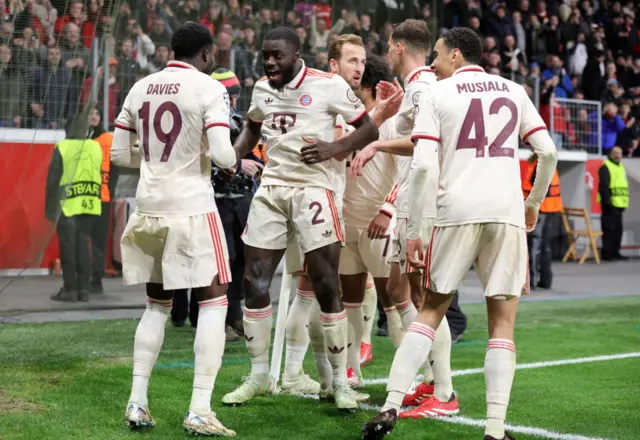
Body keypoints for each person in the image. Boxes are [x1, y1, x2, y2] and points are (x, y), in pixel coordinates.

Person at [362, 27, 558, 440]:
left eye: (436, 55)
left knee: (430, 309)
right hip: (505, 212)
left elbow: (424, 164)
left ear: (455, 54)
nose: (432, 63)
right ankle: (494, 429)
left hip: (455, 212)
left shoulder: (439, 93)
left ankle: (391, 405)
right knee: (502, 323)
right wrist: (532, 203)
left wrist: (416, 228)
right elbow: (548, 152)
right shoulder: (514, 89)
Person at [222, 26, 402, 413]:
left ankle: (338, 381)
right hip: (271, 191)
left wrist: (334, 148)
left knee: (323, 284)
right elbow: (253, 125)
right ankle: (258, 376)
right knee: (254, 281)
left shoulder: (328, 86)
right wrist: (234, 156)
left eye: (278, 56)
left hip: (315, 193)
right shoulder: (261, 89)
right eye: (266, 55)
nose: (270, 62)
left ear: (297, 54)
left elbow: (368, 128)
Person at [111, 22, 237, 436]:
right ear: (207, 55)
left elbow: (119, 154)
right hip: (191, 209)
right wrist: (229, 158)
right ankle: (200, 407)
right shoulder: (209, 88)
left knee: (155, 307)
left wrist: (157, 162)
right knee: (215, 301)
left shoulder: (140, 86)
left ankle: (136, 403)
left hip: (148, 208)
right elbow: (222, 156)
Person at [349, 18, 456, 414]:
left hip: (423, 206)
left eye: (388, 46)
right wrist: (392, 108)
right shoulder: (415, 88)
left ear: (397, 47)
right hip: (412, 203)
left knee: (427, 297)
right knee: (399, 291)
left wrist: (376, 146)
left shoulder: (425, 86)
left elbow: (423, 144)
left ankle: (442, 390)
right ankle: (431, 380)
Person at [46, 114, 103, 303]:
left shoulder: (63, 147)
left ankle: (70, 290)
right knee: (83, 246)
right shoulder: (95, 147)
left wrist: (49, 209)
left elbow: (53, 181)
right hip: (90, 203)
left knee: (68, 248)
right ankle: (83, 291)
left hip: (67, 206)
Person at [87, 106, 119, 294]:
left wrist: (111, 190)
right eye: (91, 113)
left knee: (98, 240)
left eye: (97, 113)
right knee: (82, 240)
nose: (94, 116)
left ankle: (96, 277)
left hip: (102, 197)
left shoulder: (108, 139)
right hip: (82, 196)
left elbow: (115, 168)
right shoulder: (80, 139)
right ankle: (83, 276)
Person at [522, 153, 563, 289]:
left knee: (534, 246)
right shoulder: (547, 162)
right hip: (550, 209)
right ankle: (545, 281)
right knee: (544, 247)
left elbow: (537, 189)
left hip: (541, 210)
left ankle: (531, 281)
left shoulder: (540, 163)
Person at [598, 146, 629, 261]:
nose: (618, 155)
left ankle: (616, 252)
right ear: (610, 154)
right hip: (609, 204)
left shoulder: (621, 167)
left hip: (620, 204)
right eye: (615, 153)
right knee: (608, 229)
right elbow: (604, 187)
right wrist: (608, 202)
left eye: (620, 153)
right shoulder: (605, 166)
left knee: (618, 230)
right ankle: (607, 253)